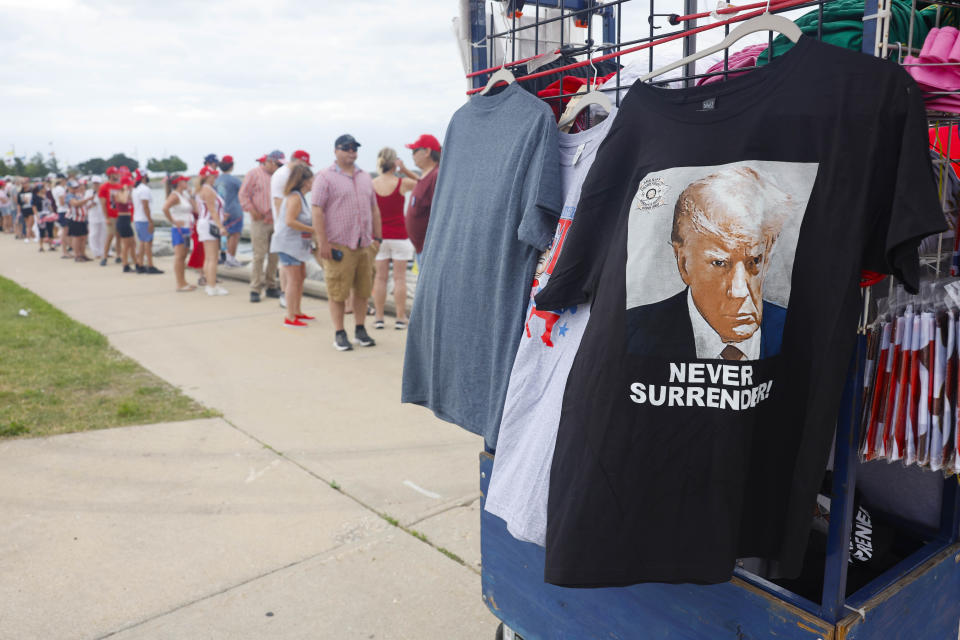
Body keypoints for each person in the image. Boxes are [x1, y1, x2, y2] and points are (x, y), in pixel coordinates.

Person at [626, 166, 790, 360]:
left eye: (754, 261)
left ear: (768, 256)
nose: (740, 291)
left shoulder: (798, 331)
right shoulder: (634, 333)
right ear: (683, 263)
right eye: (720, 263)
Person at [311, 134, 382, 351]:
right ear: (336, 151)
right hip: (339, 245)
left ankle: (360, 329)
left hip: (364, 244)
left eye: (354, 148)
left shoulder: (364, 177)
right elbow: (316, 210)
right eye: (346, 148)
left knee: (362, 291)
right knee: (337, 292)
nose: (351, 152)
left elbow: (373, 208)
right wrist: (323, 242)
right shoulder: (325, 177)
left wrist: (377, 238)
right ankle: (340, 332)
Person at [371, 147, 418, 330]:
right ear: (394, 162)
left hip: (379, 236)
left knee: (380, 278)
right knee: (400, 278)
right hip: (400, 235)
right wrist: (404, 170)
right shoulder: (402, 183)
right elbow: (425, 184)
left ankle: (379, 318)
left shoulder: (372, 183)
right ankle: (400, 318)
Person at [270, 163, 316, 328]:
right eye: (312, 179)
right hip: (287, 244)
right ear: (305, 181)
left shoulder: (300, 197)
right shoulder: (295, 197)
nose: (314, 182)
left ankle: (297, 311)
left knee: (300, 277)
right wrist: (313, 230)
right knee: (293, 280)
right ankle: (290, 317)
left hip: (298, 246)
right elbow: (290, 221)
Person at [239, 151, 283, 302]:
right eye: (278, 164)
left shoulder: (281, 175)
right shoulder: (254, 173)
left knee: (274, 255)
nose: (279, 167)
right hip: (260, 220)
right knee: (259, 255)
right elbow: (243, 194)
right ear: (269, 161)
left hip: (276, 221)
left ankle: (271, 286)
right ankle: (255, 288)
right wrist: (251, 210)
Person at [404, 134, 442, 269]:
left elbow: (439, 214)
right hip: (421, 249)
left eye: (415, 151)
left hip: (429, 250)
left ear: (427, 152)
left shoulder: (436, 176)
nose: (412, 155)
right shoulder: (425, 176)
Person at [195, 166, 228, 296]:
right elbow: (212, 210)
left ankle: (210, 284)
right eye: (213, 176)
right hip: (210, 224)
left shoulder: (202, 190)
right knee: (212, 258)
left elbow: (205, 210)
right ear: (208, 177)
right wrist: (221, 226)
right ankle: (212, 286)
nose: (215, 178)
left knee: (209, 257)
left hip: (205, 223)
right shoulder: (208, 190)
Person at [162, 175, 197, 292]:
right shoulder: (174, 196)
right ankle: (179, 283)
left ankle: (183, 281)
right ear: (179, 183)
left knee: (183, 256)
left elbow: (195, 208)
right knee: (179, 256)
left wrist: (191, 195)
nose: (187, 182)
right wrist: (173, 221)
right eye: (184, 181)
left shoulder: (184, 195)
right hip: (180, 229)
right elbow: (165, 208)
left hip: (187, 228)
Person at [216, 155, 243, 267]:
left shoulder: (216, 180)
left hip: (220, 211)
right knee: (234, 235)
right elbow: (244, 193)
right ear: (232, 166)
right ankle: (230, 258)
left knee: (223, 235)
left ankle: (223, 256)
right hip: (234, 211)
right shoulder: (235, 180)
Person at [132, 170, 161, 274]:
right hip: (144, 219)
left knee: (143, 242)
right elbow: (145, 206)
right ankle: (150, 265)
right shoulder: (145, 189)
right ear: (144, 177)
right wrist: (150, 221)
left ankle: (140, 264)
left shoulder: (135, 189)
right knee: (148, 242)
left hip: (138, 218)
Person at [64, 179, 92, 262]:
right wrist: (87, 199)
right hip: (74, 219)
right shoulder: (69, 195)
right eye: (74, 187)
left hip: (82, 219)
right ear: (69, 188)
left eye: (76, 187)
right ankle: (77, 255)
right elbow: (75, 204)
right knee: (77, 237)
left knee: (83, 237)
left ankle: (83, 254)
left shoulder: (78, 195)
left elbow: (82, 206)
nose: (76, 189)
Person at [113, 175, 137, 272]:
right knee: (126, 244)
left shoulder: (127, 193)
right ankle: (125, 264)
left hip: (127, 219)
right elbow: (124, 200)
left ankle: (136, 262)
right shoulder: (119, 193)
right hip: (122, 219)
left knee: (132, 243)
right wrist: (126, 190)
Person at [98, 167, 121, 265]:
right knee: (110, 235)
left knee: (119, 236)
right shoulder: (104, 187)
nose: (117, 175)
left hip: (119, 214)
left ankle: (118, 255)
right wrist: (106, 217)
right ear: (110, 175)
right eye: (115, 174)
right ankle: (104, 256)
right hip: (110, 215)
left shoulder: (119, 186)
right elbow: (103, 204)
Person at [86, 176, 106, 258]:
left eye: (97, 183)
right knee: (94, 234)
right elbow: (86, 205)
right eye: (94, 183)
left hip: (103, 216)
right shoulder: (89, 192)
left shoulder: (103, 191)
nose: (96, 185)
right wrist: (91, 204)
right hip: (93, 216)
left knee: (103, 235)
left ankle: (104, 251)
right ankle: (96, 252)